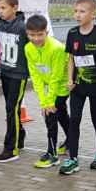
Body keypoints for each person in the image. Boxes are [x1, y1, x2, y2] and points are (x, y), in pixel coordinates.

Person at [61, 0, 96, 175]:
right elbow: (70, 58)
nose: (77, 15)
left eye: (82, 11)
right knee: (74, 120)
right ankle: (73, 158)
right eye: (75, 11)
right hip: (77, 87)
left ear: (93, 14)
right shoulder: (72, 33)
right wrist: (69, 79)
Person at [24, 14, 70, 169]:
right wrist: (43, 101)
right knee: (61, 115)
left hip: (61, 86)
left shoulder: (57, 48)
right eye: (32, 35)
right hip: (48, 86)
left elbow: (56, 77)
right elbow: (35, 76)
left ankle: (52, 154)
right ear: (27, 33)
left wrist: (49, 102)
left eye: (40, 34)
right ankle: (71, 140)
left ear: (47, 32)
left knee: (50, 116)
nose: (36, 39)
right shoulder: (28, 48)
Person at [0, 0, 29, 163]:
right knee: (10, 109)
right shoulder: (0, 26)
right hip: (5, 71)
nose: (0, 11)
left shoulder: (23, 28)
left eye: (3, 8)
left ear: (14, 8)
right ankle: (19, 134)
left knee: (12, 109)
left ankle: (11, 148)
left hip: (18, 74)